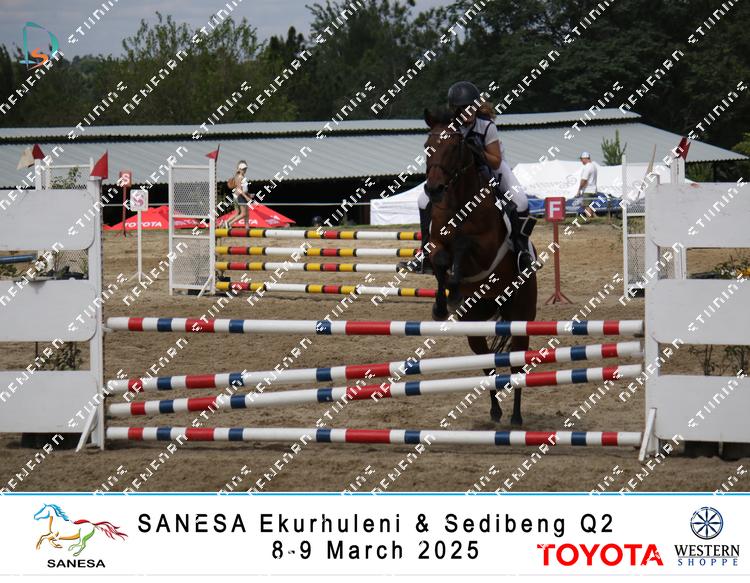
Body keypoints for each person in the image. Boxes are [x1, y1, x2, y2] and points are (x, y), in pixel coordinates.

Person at [448, 81, 535, 271]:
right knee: (423, 200)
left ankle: (521, 250)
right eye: (462, 107)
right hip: (462, 173)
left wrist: (478, 151)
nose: (467, 111)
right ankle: (425, 252)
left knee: (521, 201)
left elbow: (495, 161)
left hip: (491, 167)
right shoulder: (451, 128)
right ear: (455, 109)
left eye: (470, 106)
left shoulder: (487, 126)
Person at [225, 160, 252, 229]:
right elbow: (239, 190)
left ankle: (247, 227)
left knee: (243, 213)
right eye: (243, 169)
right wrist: (246, 197)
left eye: (245, 169)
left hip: (239, 196)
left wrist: (248, 194)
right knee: (243, 213)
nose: (244, 170)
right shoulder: (240, 177)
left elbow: (244, 189)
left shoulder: (241, 176)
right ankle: (229, 223)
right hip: (239, 196)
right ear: (239, 169)